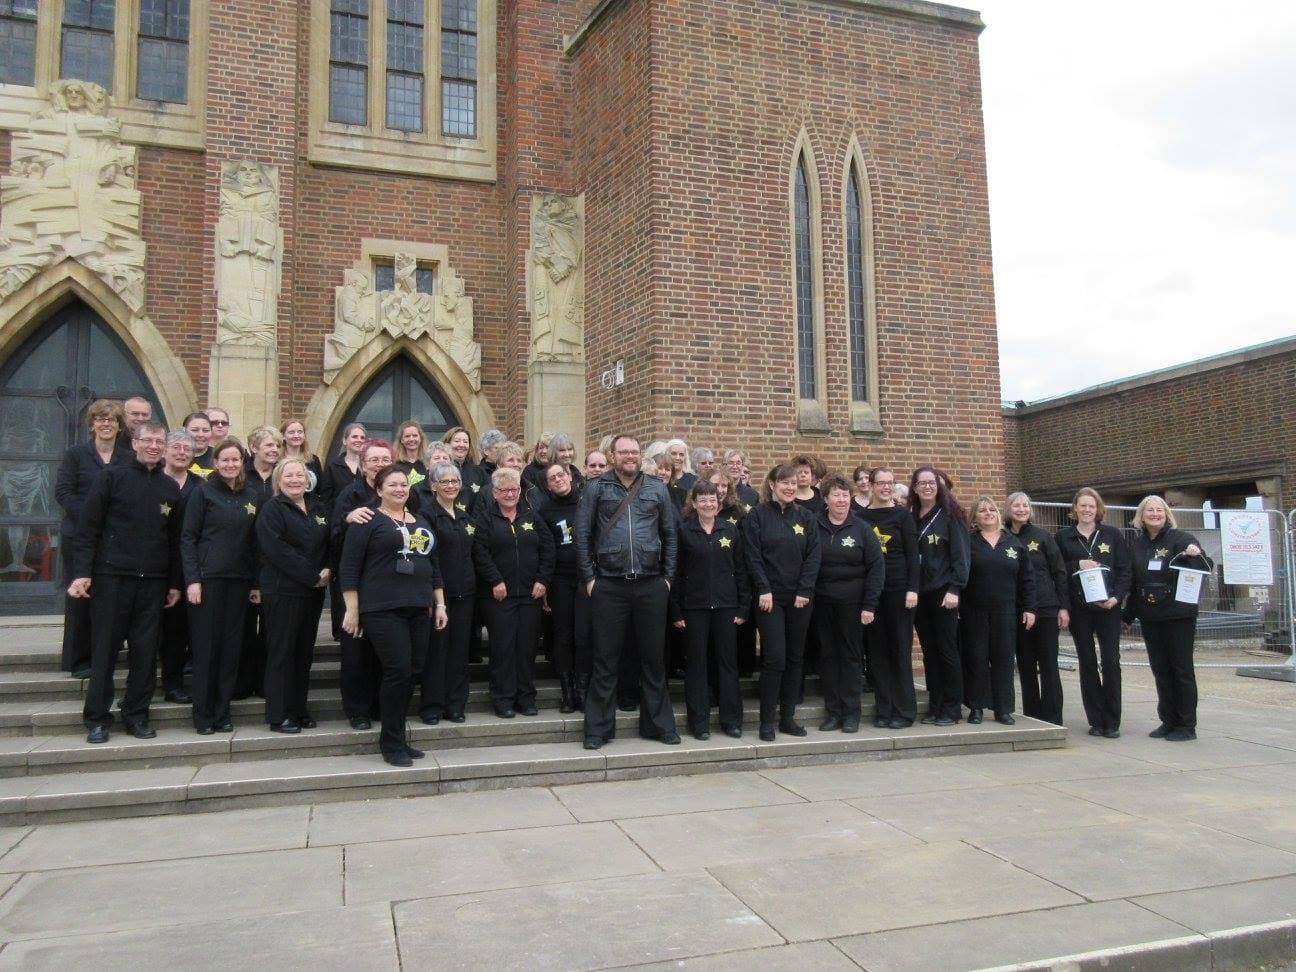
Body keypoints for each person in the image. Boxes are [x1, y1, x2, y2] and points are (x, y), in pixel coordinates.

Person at [69, 421, 181, 743]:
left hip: (153, 583)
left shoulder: (169, 488)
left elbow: (172, 541)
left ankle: (136, 714)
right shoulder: (111, 478)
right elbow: (88, 529)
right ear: (133, 443)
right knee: (104, 651)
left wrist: (173, 583)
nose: (154, 446)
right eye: (148, 440)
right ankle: (97, 719)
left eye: (159, 441)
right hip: (112, 578)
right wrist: (82, 572)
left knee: (145, 654)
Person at [574, 433, 680, 749]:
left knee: (653, 660)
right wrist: (591, 578)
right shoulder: (596, 488)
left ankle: (659, 725)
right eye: (624, 452)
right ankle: (597, 730)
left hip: (650, 584)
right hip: (610, 584)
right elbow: (582, 536)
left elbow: (670, 536)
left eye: (634, 452)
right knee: (605, 661)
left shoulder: (657, 488)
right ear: (613, 456)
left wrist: (667, 579)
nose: (630, 457)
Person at [340, 466, 447, 766]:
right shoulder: (367, 519)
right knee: (398, 669)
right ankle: (390, 743)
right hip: (382, 607)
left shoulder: (421, 520)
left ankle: (398, 736)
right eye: (392, 484)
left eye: (404, 484)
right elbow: (349, 567)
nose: (400, 489)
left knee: (412, 670)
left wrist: (440, 604)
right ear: (379, 489)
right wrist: (352, 609)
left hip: (419, 606)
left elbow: (433, 566)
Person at [181, 438, 261, 734]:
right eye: (224, 460)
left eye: (235, 460)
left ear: (242, 463)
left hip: (238, 583)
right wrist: (193, 580)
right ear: (215, 463)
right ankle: (202, 714)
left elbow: (254, 544)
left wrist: (255, 583)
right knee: (206, 649)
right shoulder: (202, 494)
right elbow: (188, 539)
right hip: (207, 582)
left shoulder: (251, 495)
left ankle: (222, 711)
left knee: (231, 650)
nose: (230, 464)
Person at [743, 463, 821, 741]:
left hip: (800, 598)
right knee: (774, 658)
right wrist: (763, 589)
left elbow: (814, 556)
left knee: (794, 658)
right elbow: (752, 556)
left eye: (792, 483)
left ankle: (787, 718)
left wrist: (805, 589)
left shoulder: (806, 518)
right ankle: (766, 721)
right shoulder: (757, 517)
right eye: (784, 483)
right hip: (769, 599)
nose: (789, 487)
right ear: (772, 485)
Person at [54, 399, 129, 678]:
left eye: (111, 420)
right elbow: (63, 492)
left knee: (107, 599)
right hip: (79, 537)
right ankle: (77, 659)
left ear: (120, 426)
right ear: (92, 424)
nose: (106, 424)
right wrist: (89, 515)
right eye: (100, 419)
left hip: (113, 538)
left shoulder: (126, 458)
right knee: (79, 597)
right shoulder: (76, 455)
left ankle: (102, 656)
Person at [473, 467, 555, 717]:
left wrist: (542, 579)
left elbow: (548, 549)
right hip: (499, 597)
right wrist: (495, 580)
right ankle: (503, 699)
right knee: (503, 648)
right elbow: (480, 552)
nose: (510, 494)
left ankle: (526, 698)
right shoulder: (485, 519)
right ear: (494, 493)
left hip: (530, 596)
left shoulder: (531, 516)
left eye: (514, 489)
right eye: (504, 489)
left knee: (526, 648)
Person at [257, 457, 331, 734]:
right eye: (288, 476)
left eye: (299, 475)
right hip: (283, 591)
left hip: (312, 594)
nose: (295, 480)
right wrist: (312, 575)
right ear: (278, 480)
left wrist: (328, 568)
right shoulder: (272, 509)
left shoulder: (318, 507)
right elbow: (277, 550)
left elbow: (328, 541)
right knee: (282, 653)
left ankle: (299, 710)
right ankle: (278, 715)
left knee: (303, 654)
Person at [671, 481, 749, 739]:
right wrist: (677, 611)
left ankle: (732, 720)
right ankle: (699, 723)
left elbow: (740, 571)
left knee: (728, 665)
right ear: (694, 503)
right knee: (697, 666)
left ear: (719, 503)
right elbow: (677, 574)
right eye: (702, 500)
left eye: (712, 500)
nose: (708, 504)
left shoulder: (731, 531)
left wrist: (743, 606)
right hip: (694, 608)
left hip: (727, 607)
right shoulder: (684, 532)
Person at [1126, 495, 1206, 741]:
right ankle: (1168, 720)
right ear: (1141, 515)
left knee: (1180, 669)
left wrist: (1195, 552)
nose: (1154, 514)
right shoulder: (1137, 545)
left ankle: (1186, 724)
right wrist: (1127, 614)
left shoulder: (1180, 538)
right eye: (1149, 510)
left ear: (1166, 513)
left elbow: (1200, 560)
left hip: (1178, 615)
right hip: (1150, 616)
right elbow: (1133, 580)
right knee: (1160, 669)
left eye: (1159, 510)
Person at [1056, 486, 1131, 739]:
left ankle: (1112, 720)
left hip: (1107, 607)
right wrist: (1076, 564)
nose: (1087, 510)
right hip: (1080, 610)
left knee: (1110, 661)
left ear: (1098, 509)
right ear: (1075, 508)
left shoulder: (1112, 535)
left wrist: (1116, 597)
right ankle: (1096, 719)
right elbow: (1058, 574)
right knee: (1087, 662)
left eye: (1092, 506)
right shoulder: (1063, 538)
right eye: (1083, 505)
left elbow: (1124, 570)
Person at [811, 476, 884, 733]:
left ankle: (851, 714)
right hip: (822, 604)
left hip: (853, 604)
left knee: (851, 658)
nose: (841, 500)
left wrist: (869, 605)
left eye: (845, 495)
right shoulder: (814, 526)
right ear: (826, 499)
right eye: (835, 495)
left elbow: (876, 568)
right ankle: (833, 713)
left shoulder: (862, 528)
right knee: (828, 657)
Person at [331, 439, 394, 729]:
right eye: (374, 459)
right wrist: (347, 518)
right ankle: (357, 711)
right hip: (356, 583)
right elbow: (333, 535)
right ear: (364, 462)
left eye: (385, 459)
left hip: (389, 584)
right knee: (355, 651)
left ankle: (381, 706)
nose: (379, 464)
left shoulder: (403, 491)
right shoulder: (350, 494)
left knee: (384, 649)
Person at [962, 496, 1036, 725]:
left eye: (991, 509)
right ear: (974, 516)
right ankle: (975, 707)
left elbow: (1027, 579)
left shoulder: (1013, 543)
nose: (988, 513)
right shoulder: (968, 542)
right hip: (974, 611)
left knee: (1004, 659)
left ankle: (1003, 709)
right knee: (977, 658)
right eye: (982, 511)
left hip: (1006, 611)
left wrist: (1029, 608)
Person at [857, 468, 920, 728]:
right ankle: (884, 711)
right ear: (870, 485)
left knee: (900, 651)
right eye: (880, 483)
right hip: (872, 594)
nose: (885, 487)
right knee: (877, 654)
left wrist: (913, 589)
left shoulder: (903, 517)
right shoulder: (859, 517)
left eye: (890, 483)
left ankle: (904, 711)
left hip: (899, 591)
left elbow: (913, 556)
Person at [909, 465, 970, 726]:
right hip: (920, 594)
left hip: (944, 593)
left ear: (939, 486)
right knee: (929, 652)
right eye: (921, 483)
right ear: (914, 487)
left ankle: (952, 707)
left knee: (947, 651)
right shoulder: (911, 516)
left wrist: (956, 588)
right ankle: (935, 704)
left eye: (931, 482)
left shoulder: (950, 516)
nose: (927, 486)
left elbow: (961, 555)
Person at [418, 461, 476, 724]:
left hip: (465, 595)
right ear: (433, 486)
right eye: (445, 482)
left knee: (459, 652)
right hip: (439, 597)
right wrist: (434, 597)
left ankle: (455, 704)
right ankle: (432, 706)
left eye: (455, 481)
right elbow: (430, 559)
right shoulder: (427, 516)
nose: (451, 486)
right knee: (437, 652)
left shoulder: (464, 517)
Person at [1007, 491, 1069, 725]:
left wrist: (1063, 607)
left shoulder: (1043, 537)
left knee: (1048, 664)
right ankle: (1033, 715)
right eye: (1016, 505)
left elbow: (1059, 572)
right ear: (1008, 509)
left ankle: (1053, 716)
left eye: (1025, 505)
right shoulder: (1004, 538)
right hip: (1017, 610)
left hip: (1045, 608)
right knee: (1025, 664)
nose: (1021, 509)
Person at [537, 462, 587, 712]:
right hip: (560, 580)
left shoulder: (587, 502)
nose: (558, 480)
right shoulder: (545, 511)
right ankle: (568, 692)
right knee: (564, 635)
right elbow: (546, 550)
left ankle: (582, 688)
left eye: (561, 475)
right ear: (547, 485)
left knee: (584, 634)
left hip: (587, 579)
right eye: (552, 478)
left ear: (570, 476)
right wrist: (545, 583)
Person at [158, 430, 201, 704]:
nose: (182, 452)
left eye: (187, 448)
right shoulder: (153, 481)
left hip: (188, 569)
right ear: (165, 450)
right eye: (176, 447)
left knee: (178, 631)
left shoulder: (201, 486)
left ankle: (173, 684)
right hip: (155, 566)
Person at [320, 422, 366, 515]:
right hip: (340, 519)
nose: (359, 440)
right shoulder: (333, 466)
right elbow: (326, 499)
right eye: (354, 437)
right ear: (345, 440)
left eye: (362, 437)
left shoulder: (368, 466)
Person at [280, 418, 324, 501]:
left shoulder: (313, 460)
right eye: (291, 432)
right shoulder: (277, 461)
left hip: (311, 507)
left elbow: (321, 488)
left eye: (300, 432)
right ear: (283, 436)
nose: (296, 435)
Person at [393, 420, 429, 488]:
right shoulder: (394, 465)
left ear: (420, 438)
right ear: (401, 440)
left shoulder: (428, 463)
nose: (411, 439)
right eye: (407, 436)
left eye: (415, 435)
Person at [183, 411, 214, 476]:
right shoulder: (172, 456)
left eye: (205, 430)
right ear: (184, 431)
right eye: (195, 430)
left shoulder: (219, 456)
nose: (200, 435)